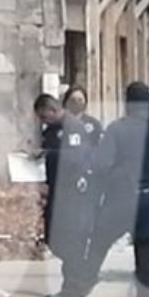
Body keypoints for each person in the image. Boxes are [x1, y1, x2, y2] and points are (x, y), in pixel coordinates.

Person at [49, 81, 149, 297]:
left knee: (97, 247)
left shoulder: (117, 129)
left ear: (127, 103)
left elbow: (100, 165)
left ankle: (73, 294)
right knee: (147, 257)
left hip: (120, 201)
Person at [34, 93, 96, 268]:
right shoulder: (50, 131)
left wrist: (48, 153)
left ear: (53, 110)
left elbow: (76, 157)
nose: (43, 121)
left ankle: (76, 272)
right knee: (53, 237)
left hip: (71, 189)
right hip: (55, 188)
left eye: (45, 117)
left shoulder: (73, 127)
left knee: (70, 238)